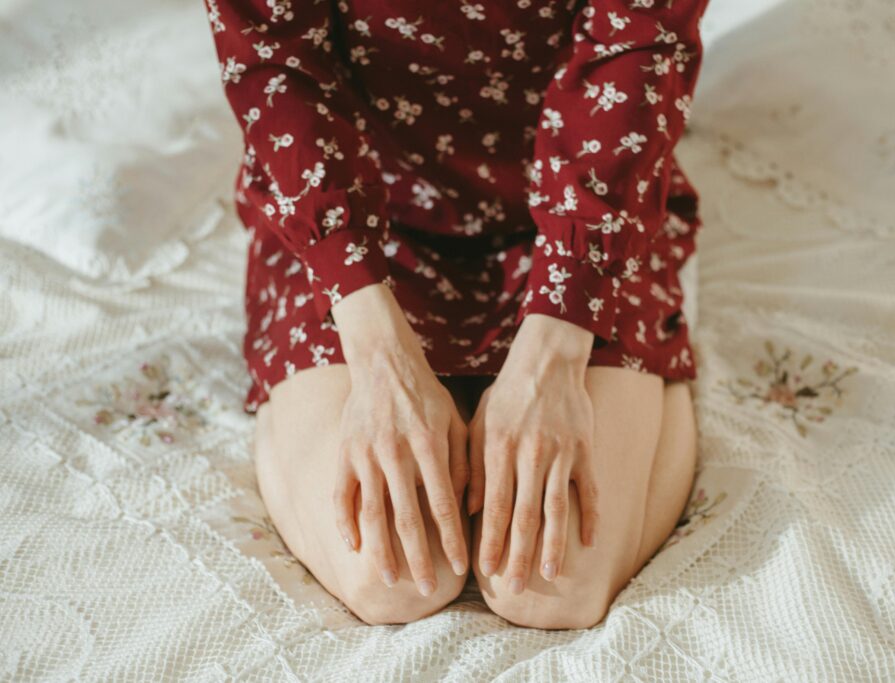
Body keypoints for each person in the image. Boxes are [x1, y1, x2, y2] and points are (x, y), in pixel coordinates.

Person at [206, 0, 707, 628]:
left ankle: (664, 374)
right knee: (394, 581)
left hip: (586, 207)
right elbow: (275, 64)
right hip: (351, 207)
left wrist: (554, 355)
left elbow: (635, 46)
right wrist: (379, 357)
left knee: (552, 587)